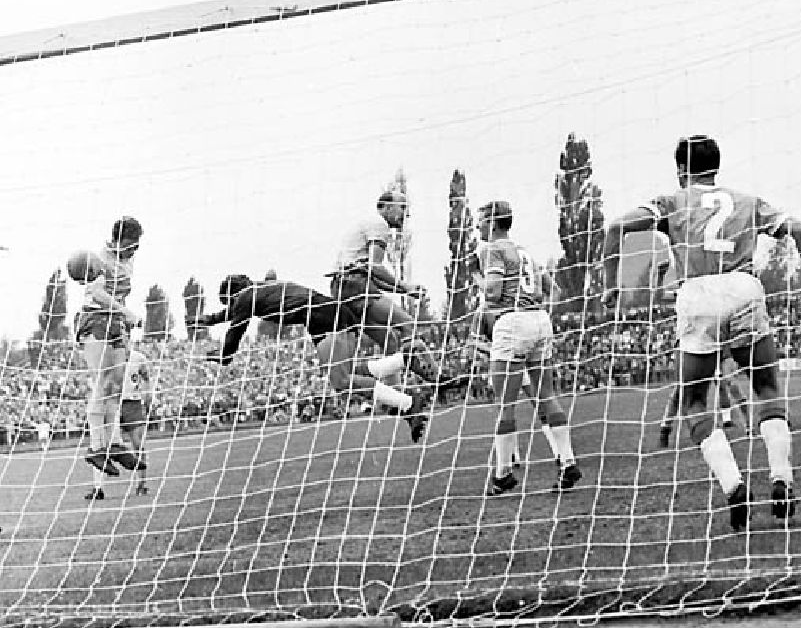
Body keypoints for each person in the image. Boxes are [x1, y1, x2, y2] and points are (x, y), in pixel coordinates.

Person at [602, 135, 801, 530]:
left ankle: (733, 485)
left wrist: (611, 285)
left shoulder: (671, 202)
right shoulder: (748, 201)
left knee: (696, 401)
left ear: (682, 170)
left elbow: (616, 227)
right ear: (716, 166)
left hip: (698, 293)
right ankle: (781, 478)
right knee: (767, 390)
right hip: (743, 288)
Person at [195, 274, 428, 442]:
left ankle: (409, 403)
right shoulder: (260, 291)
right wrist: (211, 319)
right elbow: (234, 313)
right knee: (348, 375)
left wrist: (225, 354)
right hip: (322, 318)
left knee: (343, 382)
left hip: (326, 318)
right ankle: (404, 361)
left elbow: (237, 325)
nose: (232, 307)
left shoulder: (246, 296)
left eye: (230, 302)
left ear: (234, 294)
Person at [476, 200, 582, 496]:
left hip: (512, 322)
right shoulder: (524, 252)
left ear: (493, 223)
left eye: (480, 222)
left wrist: (476, 277)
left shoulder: (492, 250)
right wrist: (541, 314)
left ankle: (502, 474)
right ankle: (568, 461)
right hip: (540, 320)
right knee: (546, 394)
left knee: (505, 402)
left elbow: (494, 292)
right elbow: (556, 291)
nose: (477, 227)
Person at [326, 191, 451, 390]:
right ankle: (436, 376)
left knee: (390, 341)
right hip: (354, 285)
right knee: (408, 323)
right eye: (402, 207)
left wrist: (404, 291)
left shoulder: (367, 226)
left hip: (343, 287)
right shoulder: (379, 224)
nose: (405, 214)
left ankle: (396, 397)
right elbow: (374, 267)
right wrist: (405, 286)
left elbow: (370, 273)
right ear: (385, 206)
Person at [75, 216, 144, 501]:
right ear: (118, 240)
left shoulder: (128, 261)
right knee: (103, 383)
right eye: (130, 245)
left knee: (116, 385)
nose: (134, 250)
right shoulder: (100, 259)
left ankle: (114, 444)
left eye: (137, 246)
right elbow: (96, 292)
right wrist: (124, 311)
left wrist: (125, 320)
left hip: (116, 324)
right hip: (96, 321)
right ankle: (96, 447)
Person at [119, 348, 155, 495]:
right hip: (113, 403)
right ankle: (98, 487)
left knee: (138, 444)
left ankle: (142, 483)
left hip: (132, 403)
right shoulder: (108, 355)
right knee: (102, 445)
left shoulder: (139, 358)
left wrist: (147, 396)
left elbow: (146, 378)